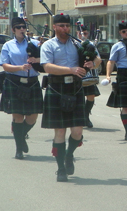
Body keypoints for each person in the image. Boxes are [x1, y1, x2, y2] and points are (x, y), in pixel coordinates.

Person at [40, 13, 101, 182]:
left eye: (67, 26)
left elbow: (98, 59)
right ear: (54, 27)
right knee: (60, 131)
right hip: (56, 87)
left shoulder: (78, 43)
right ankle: (60, 169)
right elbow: (47, 67)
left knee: (77, 132)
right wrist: (71, 69)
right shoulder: (48, 45)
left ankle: (69, 155)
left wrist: (91, 64)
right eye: (61, 26)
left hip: (75, 88)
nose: (65, 29)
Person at [0, 17, 43, 159]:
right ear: (13, 30)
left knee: (32, 117)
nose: (22, 29)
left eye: (23, 27)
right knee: (18, 116)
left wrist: (37, 59)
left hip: (32, 82)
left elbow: (47, 58)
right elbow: (5, 65)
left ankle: (21, 136)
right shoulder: (8, 45)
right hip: (14, 82)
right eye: (18, 27)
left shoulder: (34, 43)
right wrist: (20, 67)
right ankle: (19, 148)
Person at [77, 24, 101, 128]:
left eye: (86, 33)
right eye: (81, 33)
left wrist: (93, 64)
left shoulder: (91, 44)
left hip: (89, 75)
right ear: (77, 33)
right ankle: (81, 117)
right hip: (77, 74)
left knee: (91, 96)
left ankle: (86, 116)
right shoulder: (74, 43)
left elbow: (98, 59)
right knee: (79, 98)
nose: (83, 35)